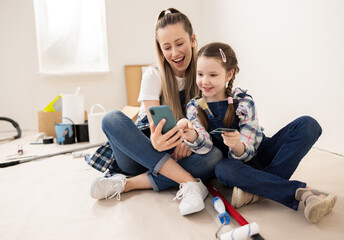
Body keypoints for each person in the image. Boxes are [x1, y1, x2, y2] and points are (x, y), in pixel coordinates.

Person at [177, 42, 337, 223]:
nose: (204, 81)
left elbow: (251, 147)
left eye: (213, 75)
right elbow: (205, 148)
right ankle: (302, 193)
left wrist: (237, 145)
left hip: (257, 151)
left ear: (229, 74)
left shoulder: (243, 101)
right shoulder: (194, 107)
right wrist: (192, 136)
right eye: (200, 74)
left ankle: (257, 190)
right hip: (234, 166)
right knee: (222, 169)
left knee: (309, 125)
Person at [88, 8, 223, 216]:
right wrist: (156, 141)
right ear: (160, 49)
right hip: (143, 154)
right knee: (111, 118)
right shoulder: (153, 75)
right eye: (167, 47)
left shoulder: (205, 73)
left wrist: (192, 140)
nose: (175, 53)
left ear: (193, 39)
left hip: (185, 153)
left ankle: (129, 184)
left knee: (213, 157)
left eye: (179, 44)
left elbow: (213, 120)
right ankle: (188, 181)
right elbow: (153, 129)